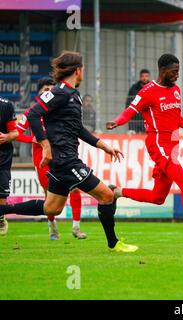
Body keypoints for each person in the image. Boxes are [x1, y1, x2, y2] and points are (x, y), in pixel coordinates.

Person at [0, 51, 137, 252]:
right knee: (107, 195)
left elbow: (78, 129)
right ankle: (114, 244)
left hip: (63, 162)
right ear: (77, 70)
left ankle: (1, 209)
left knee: (52, 208)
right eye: (83, 68)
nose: (84, 71)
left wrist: (104, 146)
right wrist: (46, 145)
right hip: (66, 161)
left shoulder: (74, 95)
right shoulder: (59, 92)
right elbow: (34, 113)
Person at [106, 53, 183, 249]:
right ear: (163, 70)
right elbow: (131, 110)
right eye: (174, 72)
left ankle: (117, 192)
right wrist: (117, 121)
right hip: (158, 145)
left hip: (172, 146)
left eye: (178, 71)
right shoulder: (148, 91)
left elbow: (178, 120)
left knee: (158, 197)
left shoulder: (175, 90)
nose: (177, 75)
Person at [15, 77, 86, 240]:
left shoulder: (60, 111)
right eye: (46, 90)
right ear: (38, 94)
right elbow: (16, 133)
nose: (49, 93)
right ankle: (53, 228)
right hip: (42, 161)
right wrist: (31, 139)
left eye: (51, 90)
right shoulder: (31, 112)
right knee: (49, 197)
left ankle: (76, 227)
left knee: (75, 187)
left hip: (63, 157)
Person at [0, 97, 19, 236]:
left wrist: (7, 137)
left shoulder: (6, 106)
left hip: (2, 156)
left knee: (1, 193)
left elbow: (15, 132)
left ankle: (0, 218)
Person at [126, 69, 151, 133]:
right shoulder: (134, 88)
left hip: (147, 118)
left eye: (146, 76)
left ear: (149, 77)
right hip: (135, 118)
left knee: (146, 136)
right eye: (143, 76)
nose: (144, 78)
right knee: (134, 137)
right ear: (140, 77)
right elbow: (128, 102)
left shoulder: (152, 88)